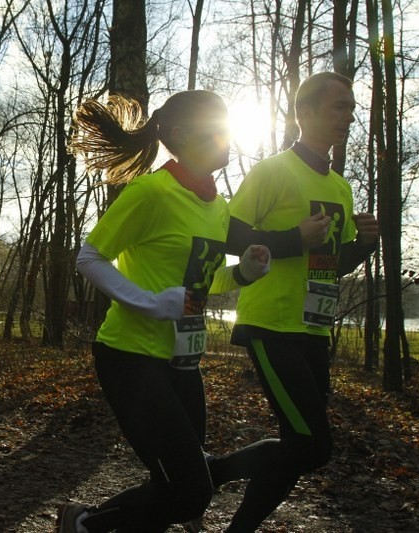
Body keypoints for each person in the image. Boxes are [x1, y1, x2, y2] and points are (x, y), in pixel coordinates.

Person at [56, 91, 269, 533]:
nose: (227, 136)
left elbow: (197, 288)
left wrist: (244, 275)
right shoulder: (150, 192)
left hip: (182, 362)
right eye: (215, 127)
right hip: (129, 357)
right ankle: (84, 523)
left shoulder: (217, 207)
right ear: (179, 135)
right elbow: (89, 257)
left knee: (181, 482)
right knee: (191, 490)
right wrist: (151, 303)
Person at [207, 72, 379, 532]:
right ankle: (214, 476)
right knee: (311, 445)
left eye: (352, 108)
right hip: (272, 323)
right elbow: (228, 234)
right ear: (304, 113)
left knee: (300, 444)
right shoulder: (273, 171)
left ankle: (219, 487)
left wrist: (363, 246)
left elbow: (328, 265)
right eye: (338, 106)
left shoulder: (340, 188)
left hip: (314, 328)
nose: (349, 116)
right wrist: (290, 238)